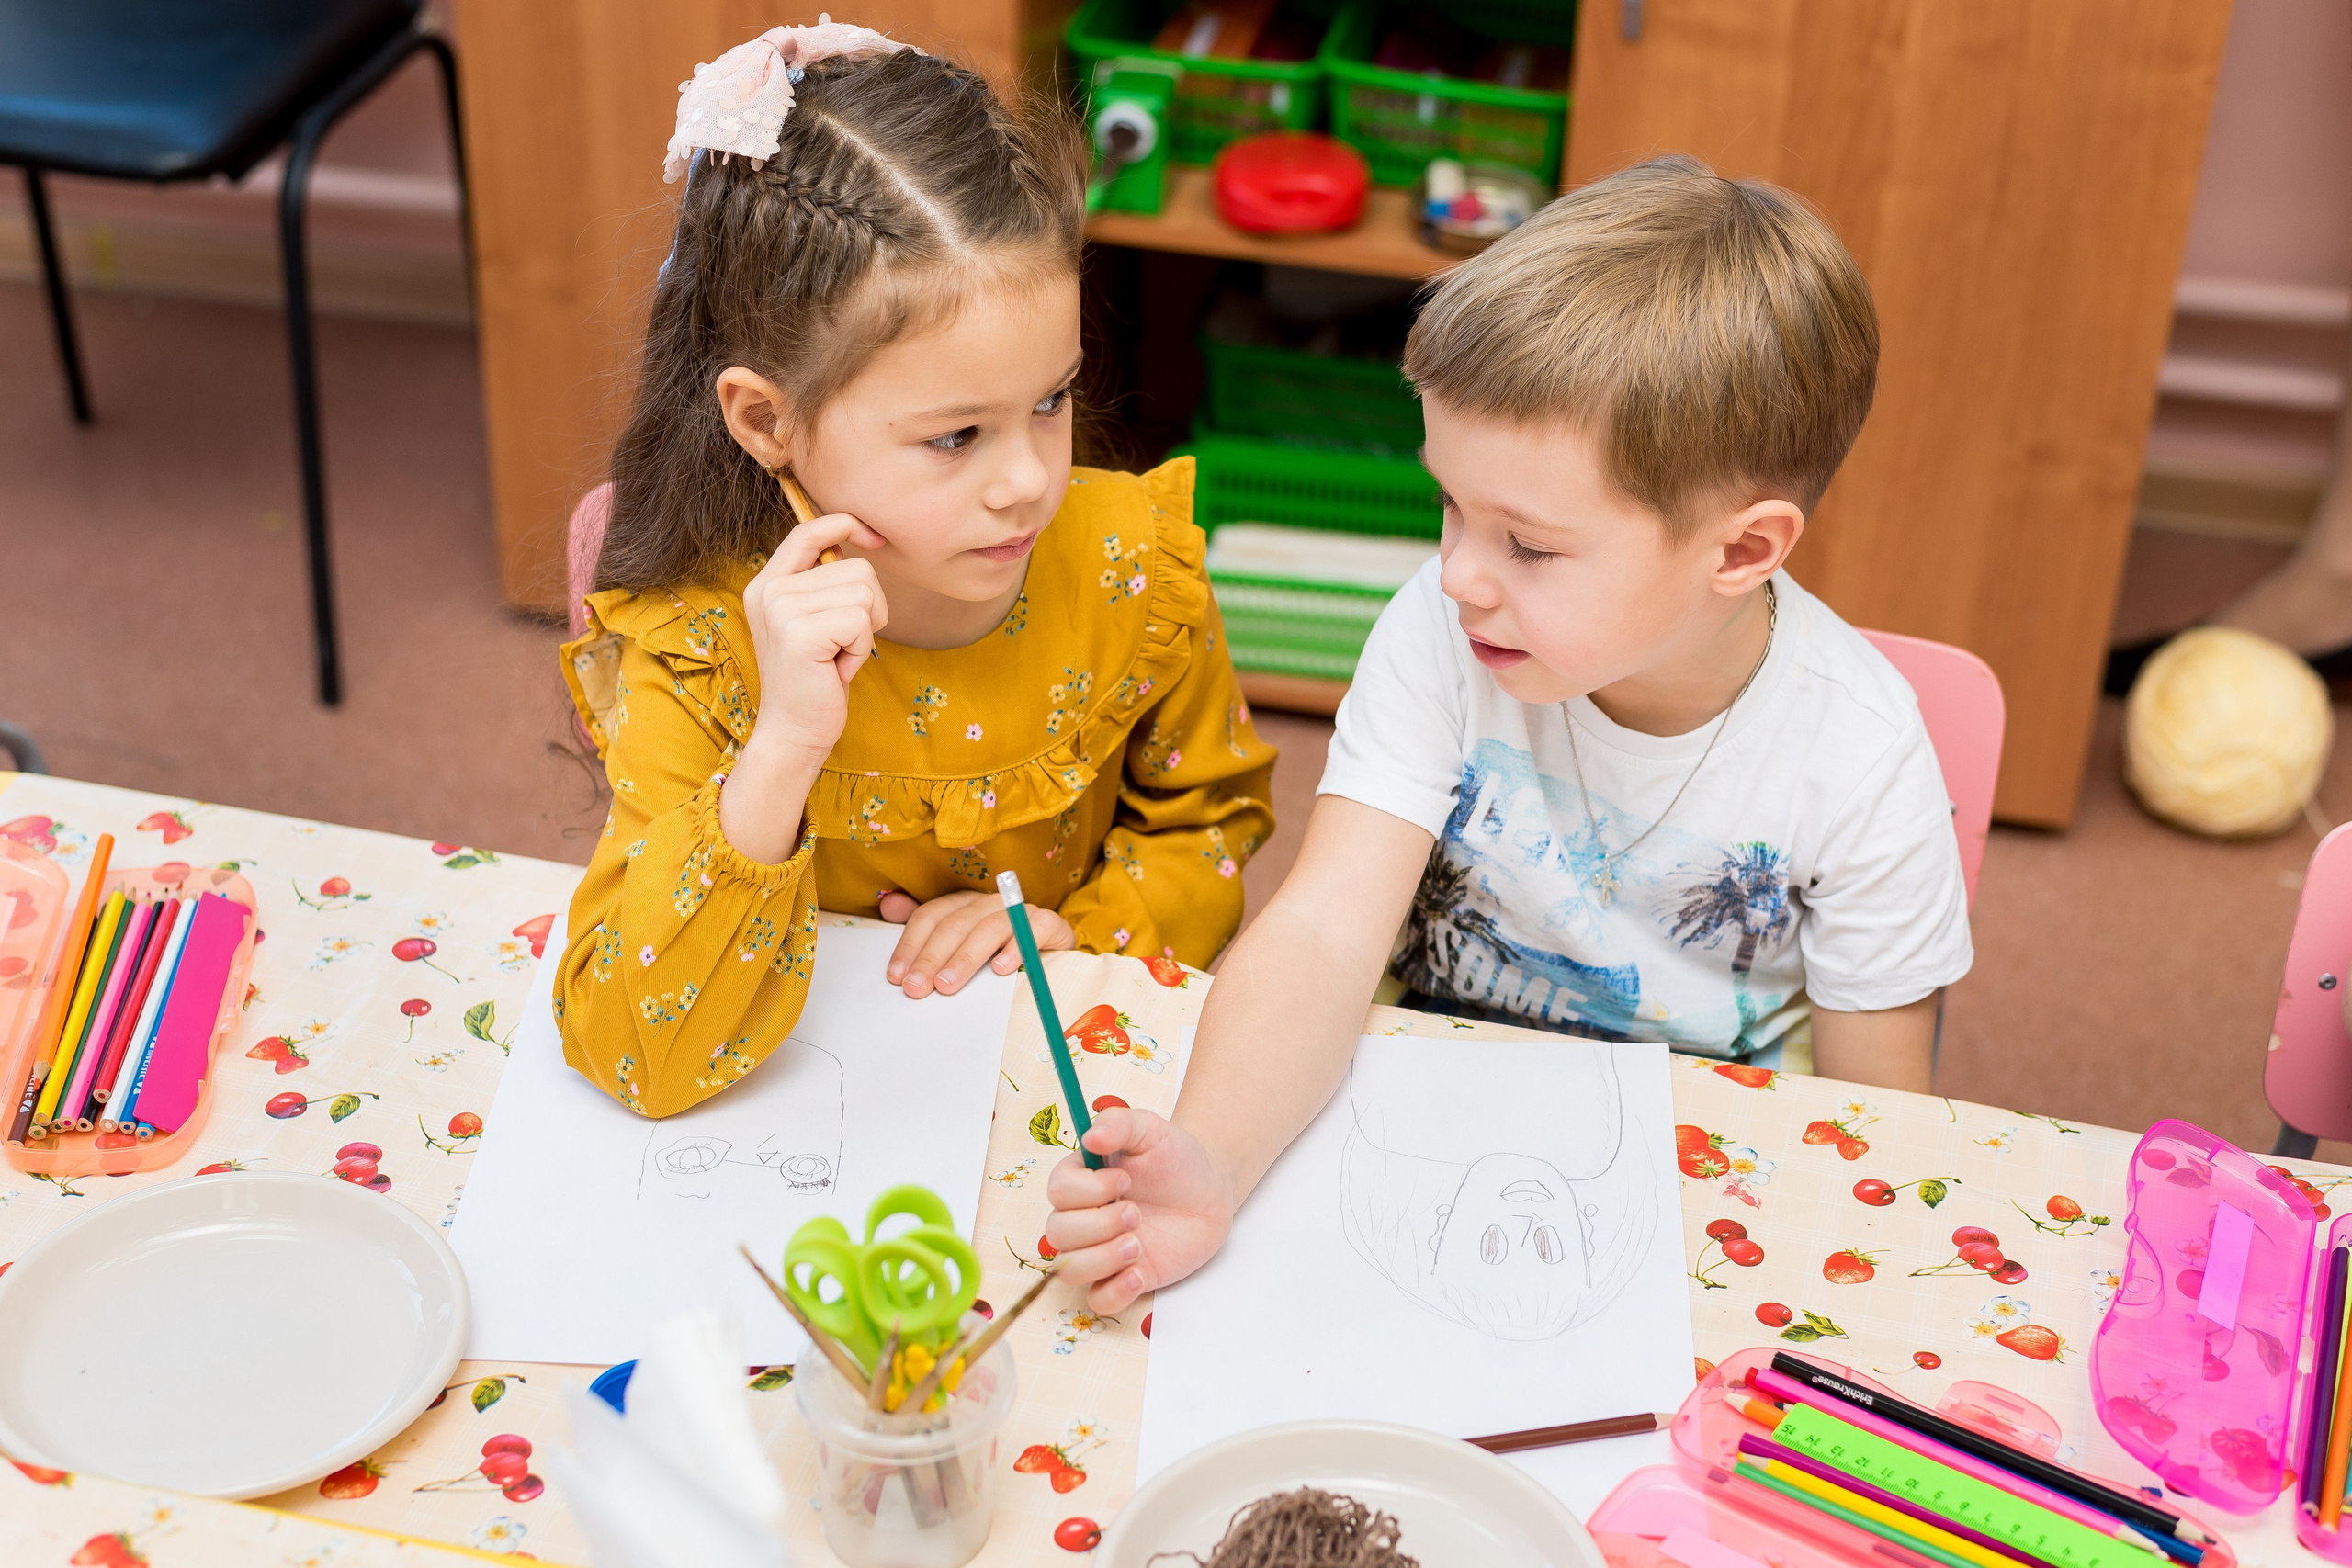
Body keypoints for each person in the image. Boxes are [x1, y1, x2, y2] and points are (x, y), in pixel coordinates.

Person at [1044, 156, 1973, 1313]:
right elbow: (1327, 930)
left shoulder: (1862, 756)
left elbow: (1876, 1128)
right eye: (1450, 505)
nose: (1458, 574)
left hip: (1706, 1180)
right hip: (1415, 1107)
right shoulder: (1443, 629)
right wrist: (1214, 1164)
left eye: (1527, 546)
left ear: (1740, 553)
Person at [557, 22, 1275, 1118]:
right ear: (767, 421)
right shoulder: (701, 642)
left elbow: (1205, 826)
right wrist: (785, 745)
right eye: (955, 438)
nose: (1029, 483)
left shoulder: (1135, 564)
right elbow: (633, 1053)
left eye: (1051, 402)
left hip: (1050, 1089)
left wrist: (1076, 934)